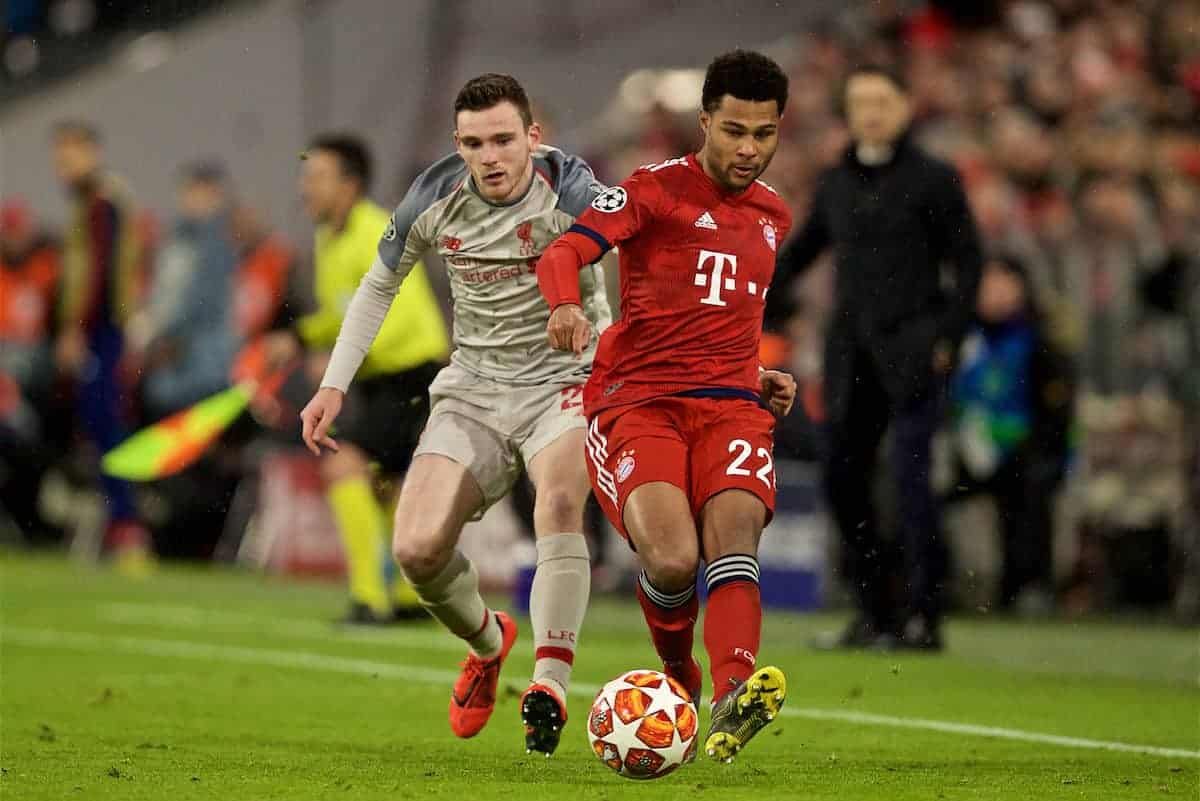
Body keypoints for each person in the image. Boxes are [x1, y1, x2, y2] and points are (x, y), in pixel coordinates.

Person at [299, 75, 612, 754]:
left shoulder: (577, 191)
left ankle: (549, 683)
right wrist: (333, 385)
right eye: (474, 143)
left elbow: (643, 263)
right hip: (472, 387)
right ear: (458, 145)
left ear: (533, 136)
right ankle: (489, 640)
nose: (490, 156)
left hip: (564, 381)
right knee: (416, 549)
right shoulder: (433, 196)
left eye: (504, 139)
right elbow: (378, 286)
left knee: (559, 502)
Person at [537, 49, 796, 765]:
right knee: (676, 560)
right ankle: (679, 674)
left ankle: (732, 695)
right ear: (705, 119)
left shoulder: (775, 216)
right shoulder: (651, 191)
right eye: (735, 130)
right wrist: (563, 306)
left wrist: (760, 372)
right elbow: (563, 254)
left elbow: (724, 317)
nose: (749, 149)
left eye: (765, 134)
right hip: (640, 403)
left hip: (731, 406)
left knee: (735, 533)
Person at [770, 65, 984, 651]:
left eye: (881, 100)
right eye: (860, 101)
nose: (870, 111)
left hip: (915, 348)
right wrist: (752, 298)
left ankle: (924, 615)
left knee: (914, 483)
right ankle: (873, 611)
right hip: (852, 353)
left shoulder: (936, 178)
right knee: (844, 479)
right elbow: (804, 250)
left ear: (906, 106)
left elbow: (968, 262)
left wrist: (950, 336)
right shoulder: (838, 179)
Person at [267, 135, 450, 624]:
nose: (305, 187)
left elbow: (397, 324)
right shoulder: (330, 236)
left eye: (317, 177)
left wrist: (332, 362)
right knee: (384, 482)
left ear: (350, 185)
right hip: (384, 378)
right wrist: (300, 338)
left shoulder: (378, 232)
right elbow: (342, 313)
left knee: (344, 464)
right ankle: (412, 601)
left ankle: (370, 599)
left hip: (412, 372)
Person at [944, 255, 1074, 613]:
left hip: (1024, 454)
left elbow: (1056, 415)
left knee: (1031, 491)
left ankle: (1029, 586)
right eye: (988, 282)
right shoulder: (960, 340)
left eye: (1004, 282)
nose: (995, 292)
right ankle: (942, 585)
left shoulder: (1039, 342)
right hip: (965, 451)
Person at [50, 120, 153, 571]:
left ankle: (128, 529)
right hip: (105, 329)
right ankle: (120, 526)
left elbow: (99, 274)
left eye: (68, 155)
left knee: (108, 426)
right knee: (103, 426)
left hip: (103, 331)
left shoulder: (100, 202)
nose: (62, 166)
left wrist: (75, 328)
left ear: (90, 151)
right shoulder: (98, 201)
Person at [133, 162, 241, 419]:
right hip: (176, 358)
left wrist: (161, 333)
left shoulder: (219, 243)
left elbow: (201, 302)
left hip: (205, 360)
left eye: (201, 192)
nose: (192, 199)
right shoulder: (177, 239)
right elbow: (163, 294)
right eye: (188, 191)